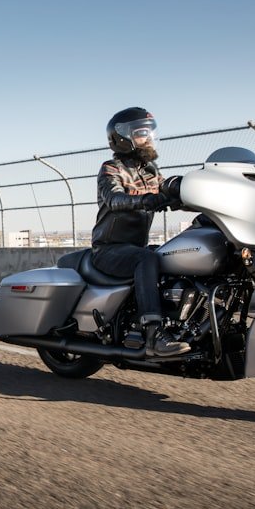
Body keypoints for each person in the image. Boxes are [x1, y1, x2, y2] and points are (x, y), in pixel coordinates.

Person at [91, 107, 189, 356]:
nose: (148, 139)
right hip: (108, 249)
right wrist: (151, 199)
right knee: (147, 258)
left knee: (176, 255)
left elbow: (169, 193)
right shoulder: (110, 168)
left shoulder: (151, 171)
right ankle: (154, 335)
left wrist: (190, 193)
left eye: (149, 133)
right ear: (123, 137)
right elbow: (116, 200)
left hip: (135, 248)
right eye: (142, 134)